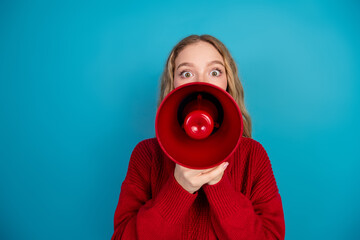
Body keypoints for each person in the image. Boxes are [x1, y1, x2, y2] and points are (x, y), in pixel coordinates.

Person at [111, 35, 285, 240]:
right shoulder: (146, 155)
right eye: (186, 73)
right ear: (173, 84)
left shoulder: (252, 155)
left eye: (214, 72)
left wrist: (219, 186)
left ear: (227, 82)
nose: (201, 83)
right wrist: (179, 188)